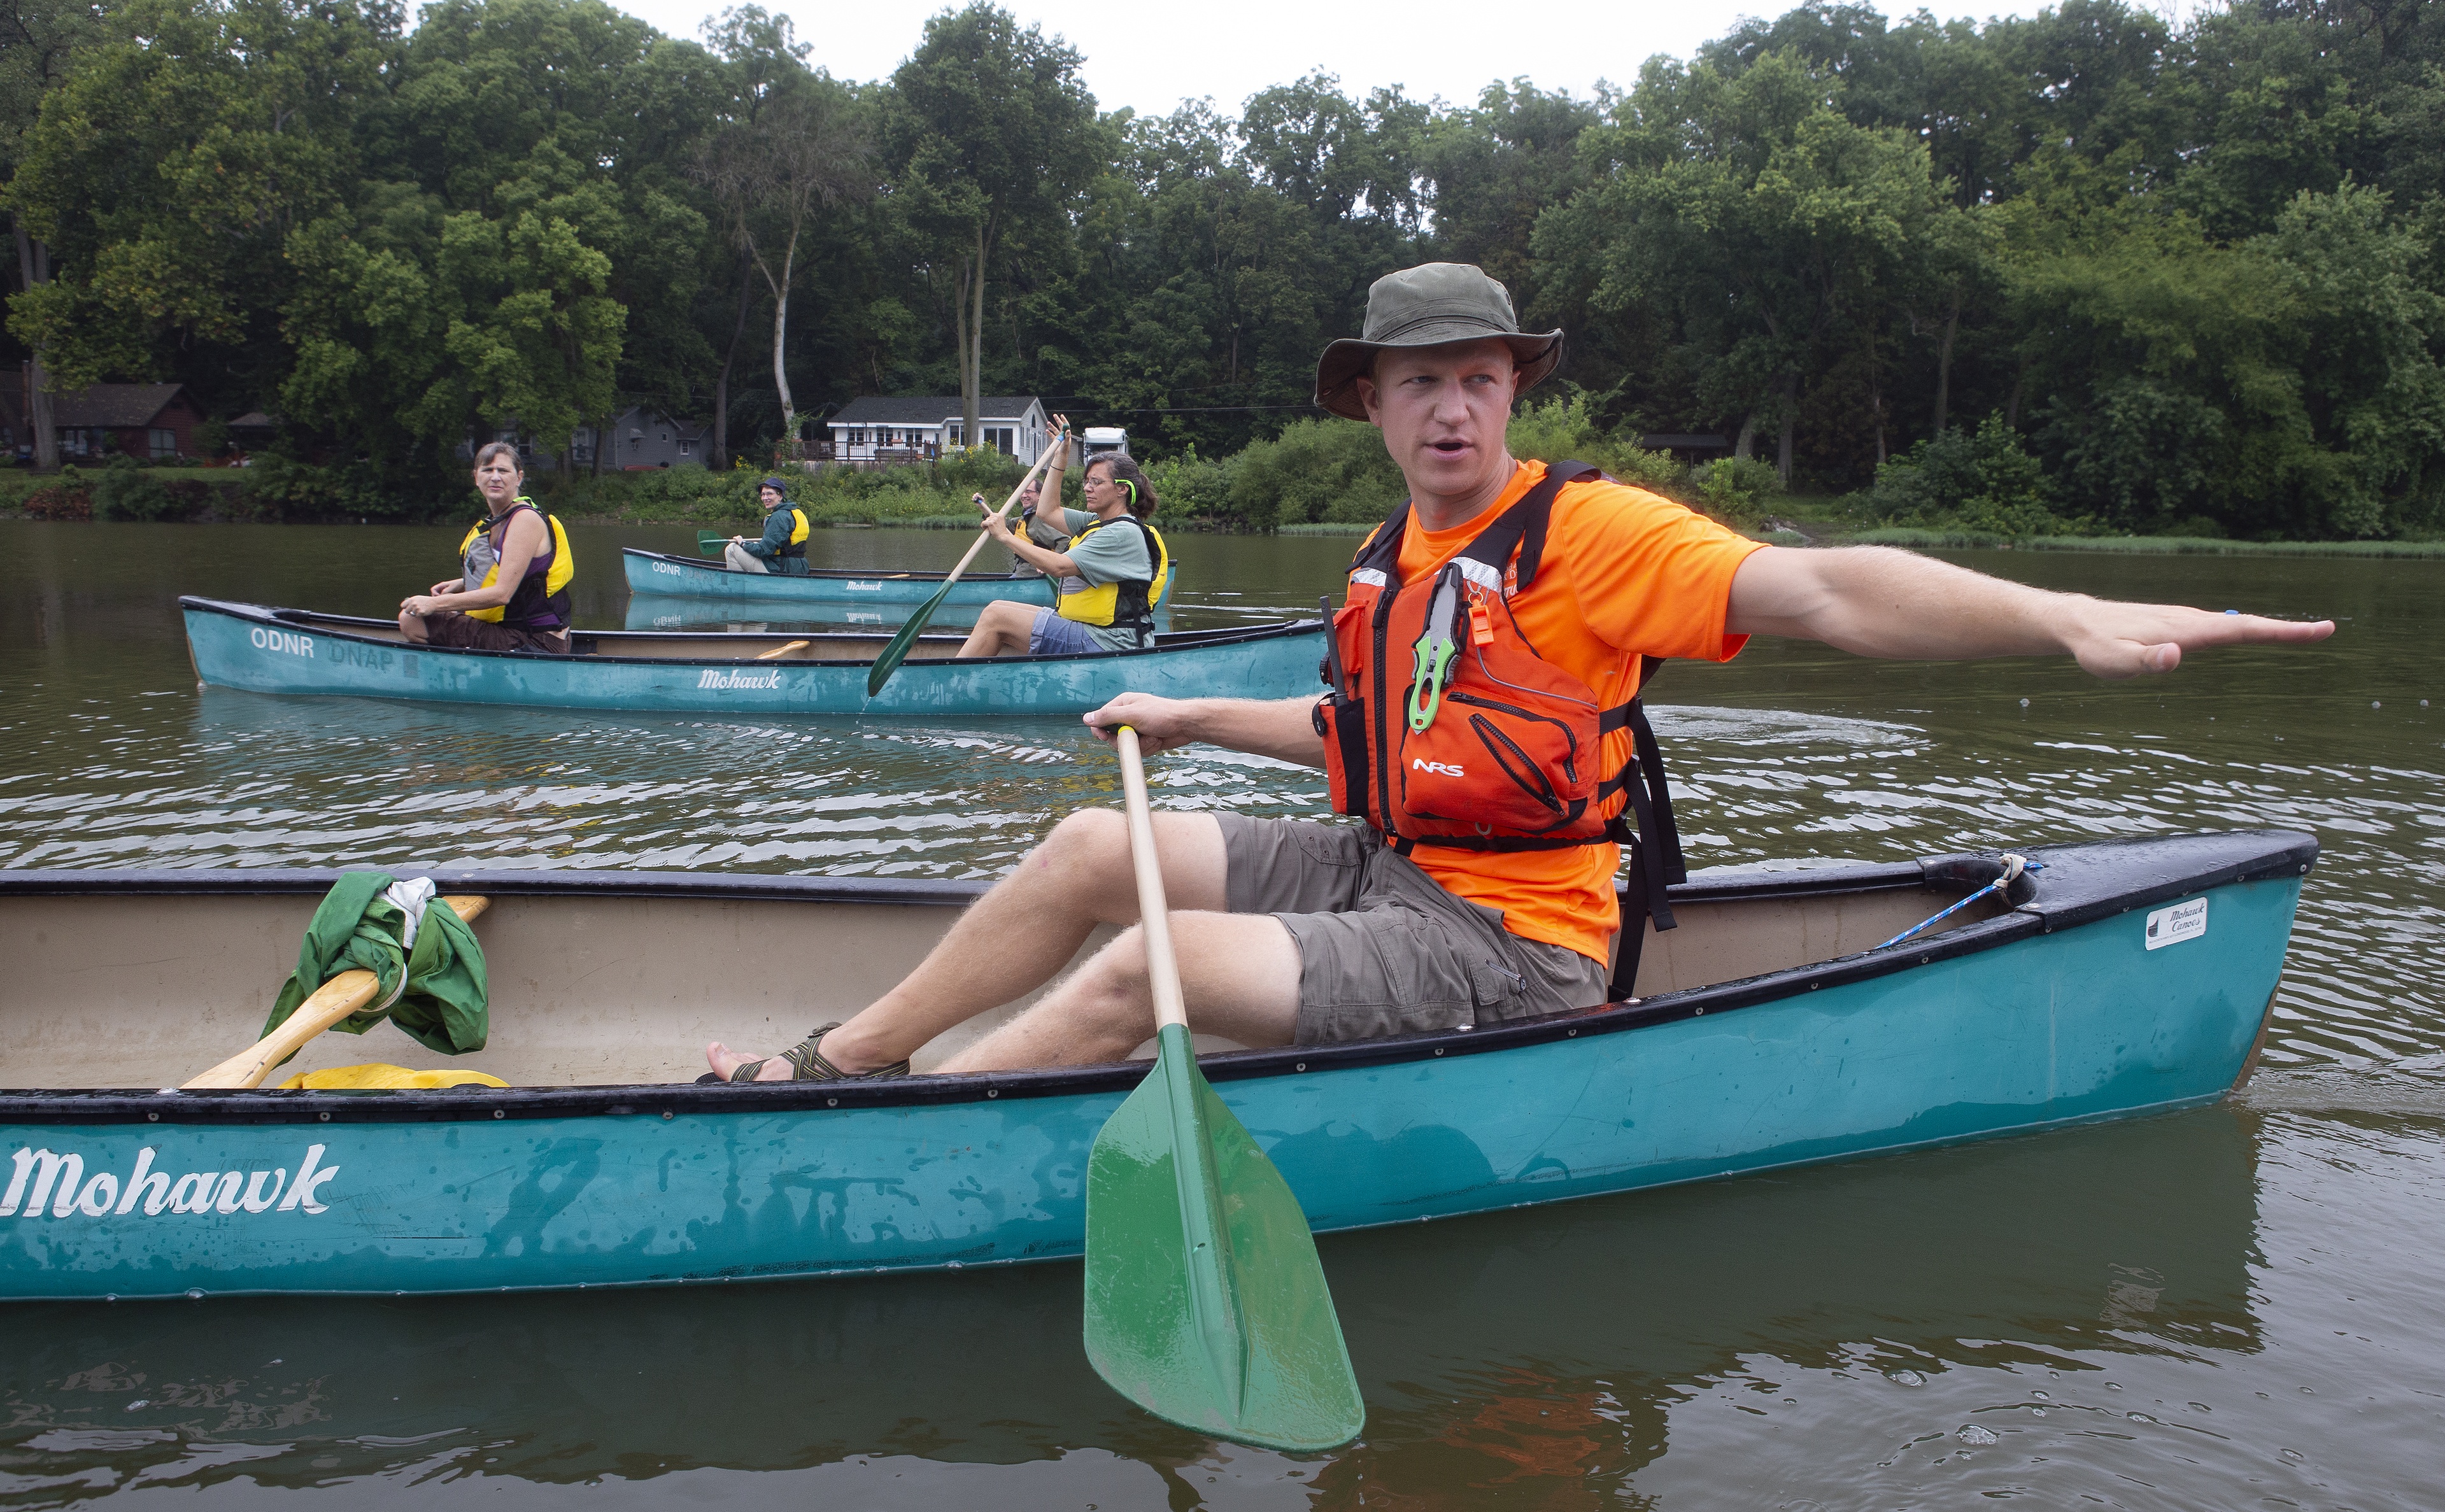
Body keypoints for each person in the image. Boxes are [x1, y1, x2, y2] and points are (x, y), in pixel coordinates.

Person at [705, 261, 2335, 1084]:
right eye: (1419, 384)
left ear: (1507, 390)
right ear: (1373, 402)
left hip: (1517, 945)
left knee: (1153, 964)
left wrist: (2055, 615)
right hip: (1390, 859)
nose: (1451, 412)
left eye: (1476, 381)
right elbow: (1364, 749)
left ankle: (898, 1134)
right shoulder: (1392, 554)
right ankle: (837, 1059)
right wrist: (1192, 709)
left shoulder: (1594, 535)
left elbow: (1828, 590)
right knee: (1085, 848)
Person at [953, 448, 1169, 659]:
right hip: (1095, 631)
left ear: (1122, 489)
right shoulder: (1098, 522)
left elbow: (1060, 567)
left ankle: (953, 679)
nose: (1087, 488)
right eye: (1087, 481)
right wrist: (1061, 458)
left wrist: (1006, 537)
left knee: (996, 617)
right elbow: (1047, 511)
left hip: (1110, 642)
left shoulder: (1121, 533)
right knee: (998, 606)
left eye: (1097, 482)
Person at [400, 442, 576, 654]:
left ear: (519, 477)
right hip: (517, 633)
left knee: (411, 620)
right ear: (476, 477)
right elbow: (518, 575)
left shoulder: (524, 520)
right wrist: (462, 583)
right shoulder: (497, 521)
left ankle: (457, 671)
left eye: (503, 470)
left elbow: (502, 594)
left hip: (536, 642)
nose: (495, 477)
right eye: (487, 470)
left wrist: (435, 604)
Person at [1005, 415, 1077, 578]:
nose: (1024, 496)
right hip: (1021, 572)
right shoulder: (1025, 518)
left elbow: (1064, 540)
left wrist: (1051, 566)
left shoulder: (1040, 519)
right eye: (1023, 492)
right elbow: (1003, 524)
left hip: (1033, 576)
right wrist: (983, 507)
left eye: (1029, 492)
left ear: (1039, 495)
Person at [723, 477, 810, 575]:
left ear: (780, 496)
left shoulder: (779, 517)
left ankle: (736, 585)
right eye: (763, 494)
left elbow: (763, 551)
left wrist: (743, 544)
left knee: (732, 549)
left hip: (782, 569)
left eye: (770, 494)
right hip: (799, 566)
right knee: (755, 545)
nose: (765, 498)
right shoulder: (794, 511)